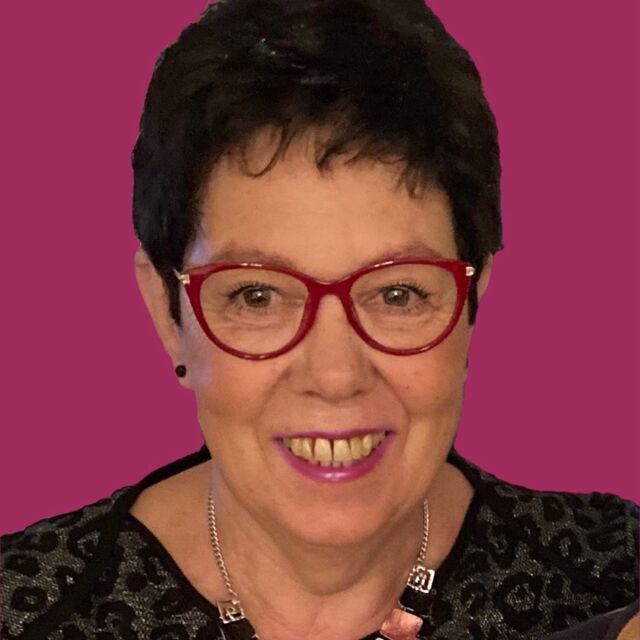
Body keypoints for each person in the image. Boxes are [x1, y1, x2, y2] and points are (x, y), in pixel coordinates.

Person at [2, 1, 638, 639]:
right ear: (169, 313)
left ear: (473, 303)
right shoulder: (22, 610)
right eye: (257, 296)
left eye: (398, 294)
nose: (335, 376)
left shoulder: (615, 574)